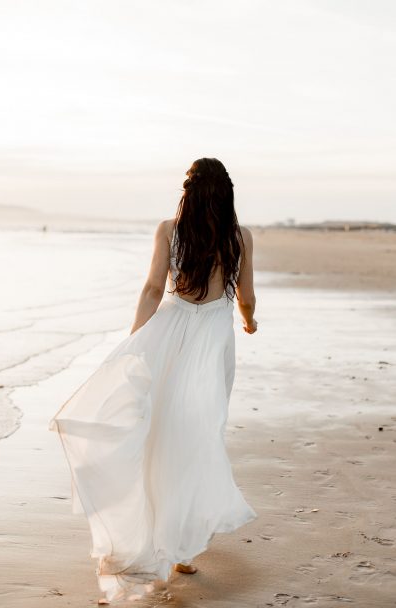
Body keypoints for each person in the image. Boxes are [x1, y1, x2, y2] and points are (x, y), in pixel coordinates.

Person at [48, 157, 258, 604]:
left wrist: (134, 342)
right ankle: (181, 547)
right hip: (211, 344)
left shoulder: (169, 230)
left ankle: (158, 535)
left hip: (166, 334)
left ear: (188, 193)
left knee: (154, 432)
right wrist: (249, 320)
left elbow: (151, 289)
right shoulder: (240, 237)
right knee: (197, 435)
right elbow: (246, 295)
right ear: (226, 194)